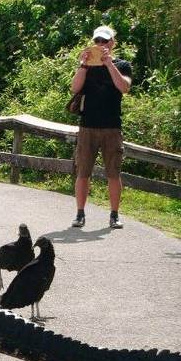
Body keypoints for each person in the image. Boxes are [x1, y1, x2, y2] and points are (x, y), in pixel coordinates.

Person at [69, 25, 132, 229]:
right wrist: (84, 65)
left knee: (113, 173)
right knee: (83, 172)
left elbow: (124, 87)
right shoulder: (86, 66)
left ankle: (114, 215)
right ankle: (80, 214)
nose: (100, 45)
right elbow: (74, 88)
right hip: (87, 126)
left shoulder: (122, 65)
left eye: (104, 41)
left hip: (112, 127)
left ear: (112, 43)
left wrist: (109, 64)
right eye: (97, 41)